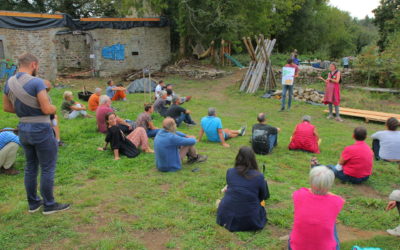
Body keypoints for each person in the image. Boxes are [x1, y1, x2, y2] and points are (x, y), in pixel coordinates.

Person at [3, 53, 70, 214]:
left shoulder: (9, 83)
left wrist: (25, 112)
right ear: (33, 64)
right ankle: (49, 205)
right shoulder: (37, 83)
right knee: (47, 168)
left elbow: (7, 108)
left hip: (23, 128)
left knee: (30, 167)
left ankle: (33, 204)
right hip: (41, 128)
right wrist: (54, 108)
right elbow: (47, 109)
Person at [289, 166, 345, 249]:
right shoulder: (337, 201)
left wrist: (313, 189)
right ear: (330, 185)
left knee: (294, 234)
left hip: (297, 246)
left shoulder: (299, 194)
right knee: (332, 225)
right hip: (324, 248)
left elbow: (295, 194)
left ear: (311, 182)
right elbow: (342, 200)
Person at [216, 146, 269, 232]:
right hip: (250, 220)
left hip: (225, 217)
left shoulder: (230, 172)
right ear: (253, 159)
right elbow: (262, 196)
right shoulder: (259, 176)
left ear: (238, 157)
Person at [44, 80, 64, 146]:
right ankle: (57, 140)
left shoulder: (44, 95)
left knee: (54, 117)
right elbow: (48, 109)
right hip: (43, 116)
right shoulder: (44, 96)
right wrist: (54, 109)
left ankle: (57, 139)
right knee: (54, 118)